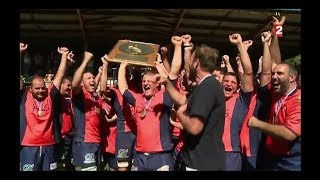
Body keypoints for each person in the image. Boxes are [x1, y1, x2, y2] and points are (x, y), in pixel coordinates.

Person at [160, 43, 226, 171]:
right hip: (201, 159)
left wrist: (180, 115)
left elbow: (194, 127)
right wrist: (166, 83)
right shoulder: (203, 86)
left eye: (191, 60)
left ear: (196, 63)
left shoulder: (206, 88)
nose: (189, 64)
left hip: (200, 162)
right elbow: (182, 100)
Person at [20, 45, 71, 171]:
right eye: (37, 88)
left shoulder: (50, 96)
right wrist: (20, 55)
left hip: (49, 145)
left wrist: (64, 56)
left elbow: (59, 76)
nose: (41, 90)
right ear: (30, 89)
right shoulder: (24, 97)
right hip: (28, 146)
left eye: (43, 87)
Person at [71, 51, 103, 171]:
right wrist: (85, 60)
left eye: (93, 78)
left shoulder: (96, 98)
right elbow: (74, 84)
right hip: (84, 142)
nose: (92, 80)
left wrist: (100, 72)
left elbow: (96, 84)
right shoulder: (80, 96)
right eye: (88, 78)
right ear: (82, 83)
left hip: (97, 142)